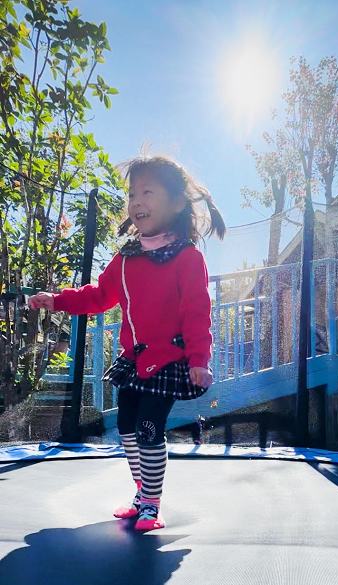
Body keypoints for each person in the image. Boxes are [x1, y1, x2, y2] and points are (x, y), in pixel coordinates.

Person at [30, 156, 225, 531]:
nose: (137, 201)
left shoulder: (187, 257)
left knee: (151, 427)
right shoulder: (125, 259)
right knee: (127, 429)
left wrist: (200, 358)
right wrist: (56, 300)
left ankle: (152, 504)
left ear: (177, 203)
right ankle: (141, 493)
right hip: (134, 360)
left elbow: (198, 311)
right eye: (132, 193)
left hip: (170, 359)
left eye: (148, 192)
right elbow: (97, 296)